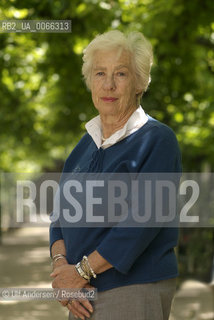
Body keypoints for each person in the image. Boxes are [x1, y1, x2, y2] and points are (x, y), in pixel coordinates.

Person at [49, 30, 182, 320]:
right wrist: (63, 271)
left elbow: (141, 222)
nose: (108, 84)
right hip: (82, 294)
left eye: (120, 74)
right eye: (100, 73)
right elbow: (60, 218)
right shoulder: (84, 145)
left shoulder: (157, 140)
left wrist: (80, 272)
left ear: (139, 82)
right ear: (90, 81)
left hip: (133, 288)